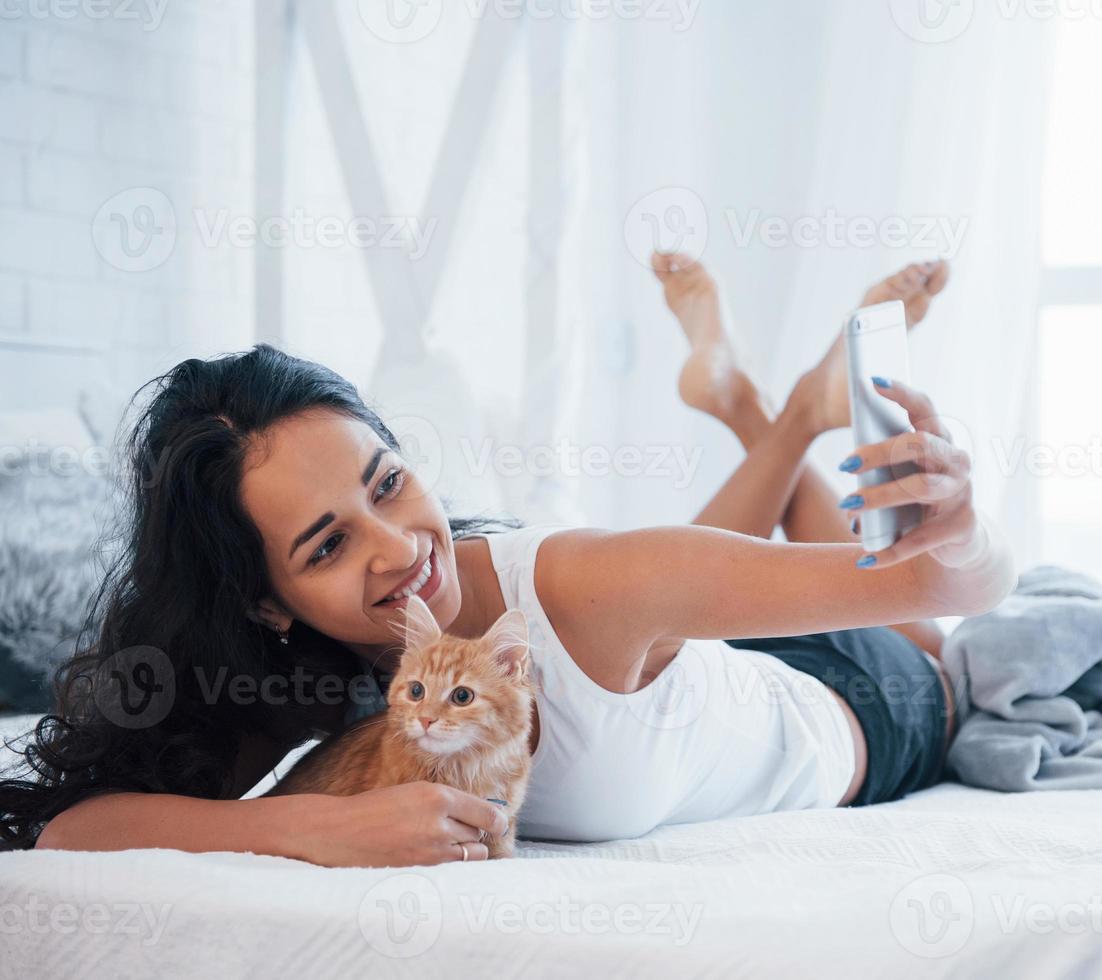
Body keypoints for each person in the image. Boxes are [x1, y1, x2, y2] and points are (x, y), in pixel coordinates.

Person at [3, 256, 1014, 866]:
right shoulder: (301, 665)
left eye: (387, 480)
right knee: (687, 604)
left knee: (922, 638)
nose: (401, 548)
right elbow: (74, 833)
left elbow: (959, 585)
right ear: (267, 603)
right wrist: (311, 829)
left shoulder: (580, 582)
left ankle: (782, 411)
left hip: (872, 700)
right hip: (687, 685)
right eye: (327, 542)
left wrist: (959, 523)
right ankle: (767, 406)